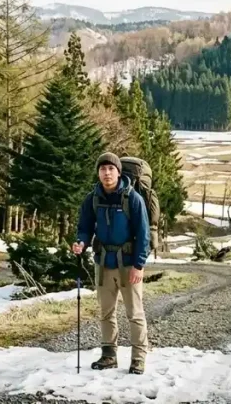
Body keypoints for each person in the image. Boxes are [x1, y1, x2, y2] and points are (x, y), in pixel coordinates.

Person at [72, 151, 150, 373]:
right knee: (106, 312)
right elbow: (85, 228)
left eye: (111, 169)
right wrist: (81, 243)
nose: (107, 173)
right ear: (98, 173)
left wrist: (139, 265)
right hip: (103, 262)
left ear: (118, 172)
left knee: (134, 313)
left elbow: (143, 234)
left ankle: (138, 358)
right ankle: (108, 355)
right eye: (103, 169)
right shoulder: (93, 199)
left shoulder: (132, 198)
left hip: (128, 264)